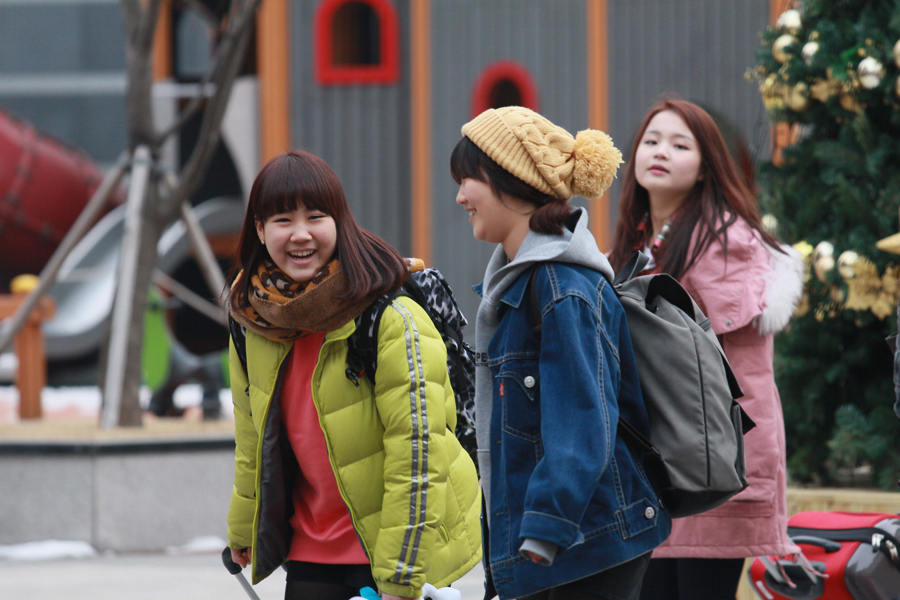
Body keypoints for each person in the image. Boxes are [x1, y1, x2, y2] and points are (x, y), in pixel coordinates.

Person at [225, 150, 482, 600]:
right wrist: (244, 527)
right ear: (260, 230)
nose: (301, 234)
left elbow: (419, 455)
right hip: (310, 548)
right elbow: (252, 438)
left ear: (339, 222)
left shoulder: (390, 315)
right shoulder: (253, 318)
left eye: (315, 217)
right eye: (283, 220)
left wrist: (401, 573)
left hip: (392, 549)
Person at [451, 106, 671, 600]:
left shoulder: (561, 286)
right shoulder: (520, 284)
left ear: (513, 181)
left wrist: (546, 524)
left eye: (469, 179)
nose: (461, 196)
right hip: (559, 541)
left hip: (585, 542)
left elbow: (581, 415)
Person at [608, 98, 804, 600]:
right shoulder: (638, 241)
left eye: (680, 145)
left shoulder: (727, 241)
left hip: (712, 460)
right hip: (668, 460)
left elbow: (681, 346)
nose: (661, 152)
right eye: (651, 141)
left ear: (704, 167)